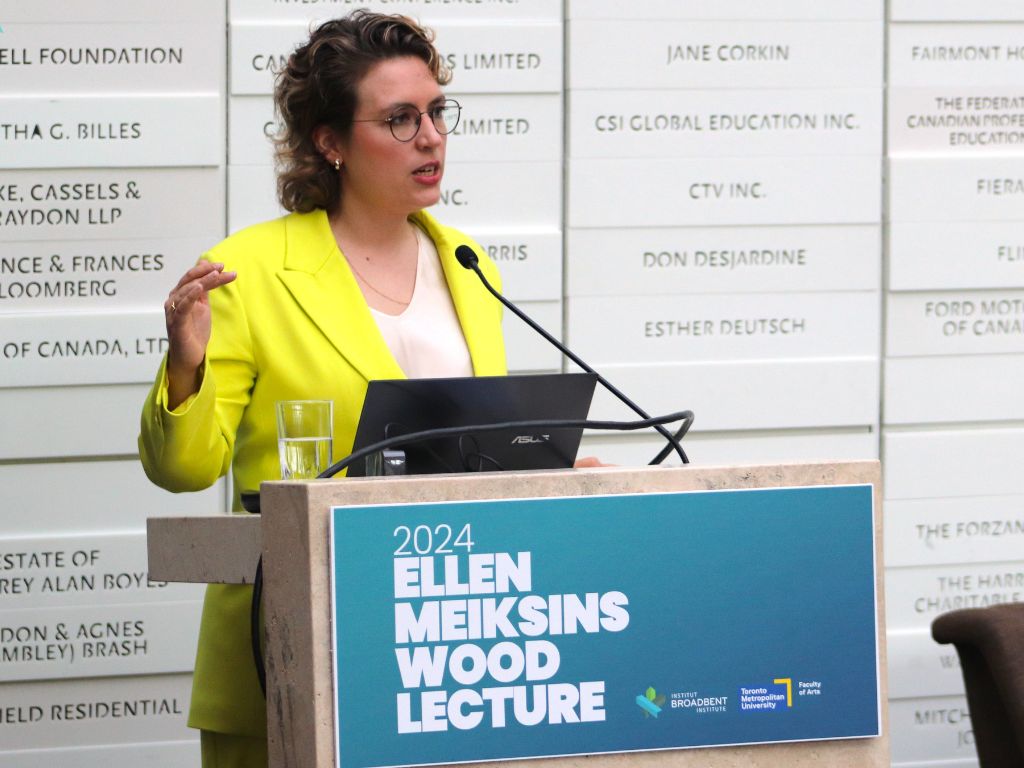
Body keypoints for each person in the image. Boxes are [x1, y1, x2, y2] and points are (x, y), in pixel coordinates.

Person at [139, 11, 506, 765]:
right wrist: (185, 366)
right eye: (400, 119)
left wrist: (550, 471)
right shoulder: (249, 272)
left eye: (437, 111)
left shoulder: (469, 264)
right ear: (330, 142)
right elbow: (184, 470)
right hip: (288, 655)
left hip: (444, 657)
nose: (431, 138)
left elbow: (472, 455)